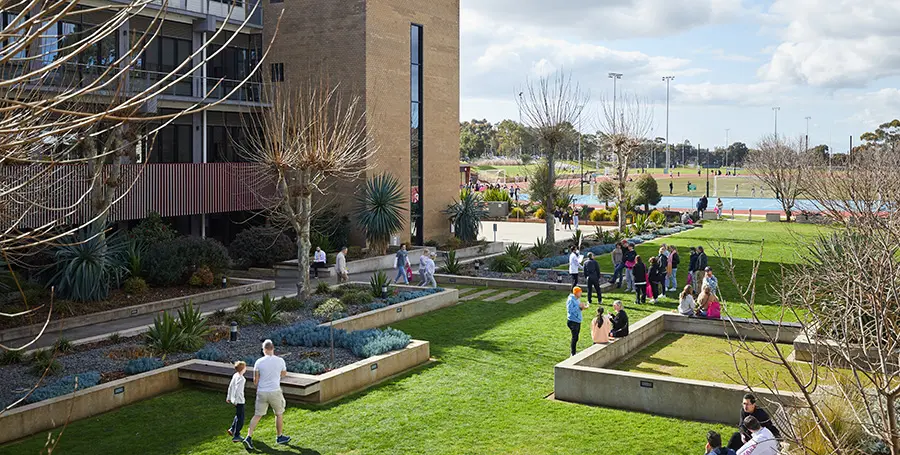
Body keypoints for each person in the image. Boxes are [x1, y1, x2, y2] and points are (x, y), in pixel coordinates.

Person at [243, 340, 291, 449]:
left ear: (263, 350)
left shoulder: (258, 362)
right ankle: (279, 437)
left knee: (257, 415)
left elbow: (255, 381)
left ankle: (248, 437)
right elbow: (283, 374)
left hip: (261, 392)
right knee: (279, 414)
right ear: (273, 348)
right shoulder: (280, 361)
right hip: (275, 391)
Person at [226, 361, 247, 443]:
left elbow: (230, 386)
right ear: (243, 369)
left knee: (238, 415)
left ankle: (232, 429)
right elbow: (238, 390)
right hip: (239, 401)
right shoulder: (242, 379)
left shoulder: (235, 375)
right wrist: (235, 400)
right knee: (241, 419)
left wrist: (229, 397)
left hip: (235, 400)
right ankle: (236, 435)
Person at [566, 287, 588, 356]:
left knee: (576, 337)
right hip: (572, 321)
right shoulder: (571, 300)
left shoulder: (577, 299)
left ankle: (574, 352)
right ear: (576, 293)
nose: (581, 294)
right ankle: (573, 353)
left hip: (577, 320)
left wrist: (582, 307)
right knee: (574, 337)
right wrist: (579, 307)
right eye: (580, 292)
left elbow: (578, 309)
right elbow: (570, 310)